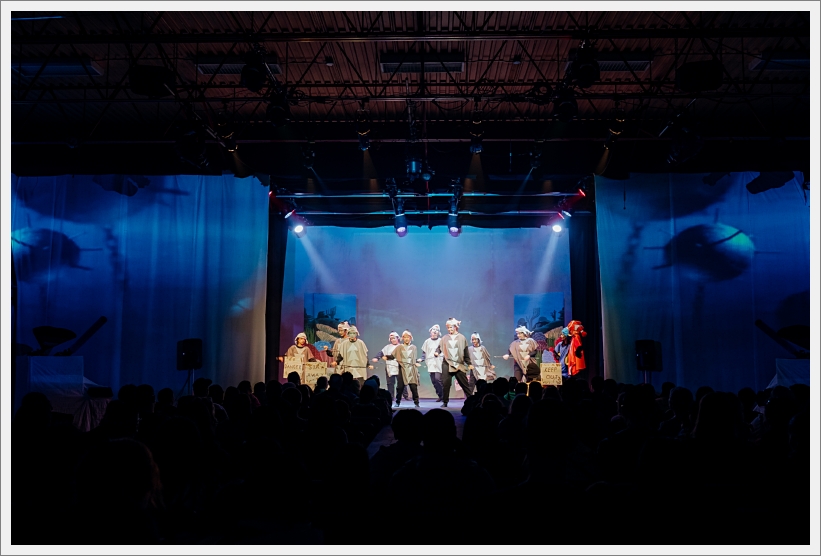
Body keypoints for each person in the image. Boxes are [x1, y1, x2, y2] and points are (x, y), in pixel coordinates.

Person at [437, 317, 473, 407]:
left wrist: (469, 363)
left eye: (451, 327)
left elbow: (465, 352)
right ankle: (445, 402)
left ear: (455, 327)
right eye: (448, 328)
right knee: (446, 383)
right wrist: (437, 352)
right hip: (447, 363)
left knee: (464, 384)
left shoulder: (462, 338)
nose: (449, 329)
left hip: (459, 364)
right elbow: (439, 347)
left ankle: (472, 401)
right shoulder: (444, 338)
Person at [372, 332, 405, 404]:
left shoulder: (401, 346)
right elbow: (381, 353)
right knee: (390, 383)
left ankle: (405, 396)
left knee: (401, 383)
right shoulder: (387, 347)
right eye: (391, 339)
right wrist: (377, 358)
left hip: (399, 367)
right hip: (390, 367)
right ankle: (391, 396)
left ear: (398, 338)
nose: (393, 340)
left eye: (394, 338)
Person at [394, 330, 422, 407]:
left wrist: (416, 362)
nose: (406, 339)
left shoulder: (413, 347)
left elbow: (413, 358)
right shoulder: (399, 347)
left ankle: (416, 402)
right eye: (405, 337)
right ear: (402, 338)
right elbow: (393, 355)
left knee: (413, 386)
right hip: (402, 368)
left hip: (411, 369)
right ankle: (397, 402)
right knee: (400, 387)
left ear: (410, 338)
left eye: (408, 337)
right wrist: (386, 357)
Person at [418, 324, 444, 403]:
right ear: (430, 332)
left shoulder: (441, 341)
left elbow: (444, 351)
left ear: (439, 333)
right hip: (430, 363)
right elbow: (424, 352)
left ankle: (444, 396)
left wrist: (439, 355)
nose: (435, 332)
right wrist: (422, 359)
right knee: (434, 381)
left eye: (437, 330)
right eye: (433, 330)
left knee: (438, 379)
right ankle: (440, 395)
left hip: (439, 363)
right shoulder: (427, 341)